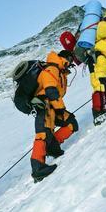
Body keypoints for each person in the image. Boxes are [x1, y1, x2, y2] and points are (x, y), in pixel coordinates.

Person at [30, 50, 79, 181]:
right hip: (43, 105)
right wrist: (60, 109)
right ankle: (37, 168)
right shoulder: (52, 68)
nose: (71, 64)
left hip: (52, 106)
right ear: (66, 59)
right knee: (42, 134)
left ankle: (52, 148)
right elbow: (50, 91)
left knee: (71, 123)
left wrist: (58, 109)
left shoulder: (60, 70)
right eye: (70, 61)